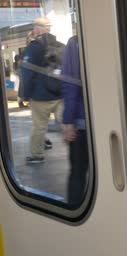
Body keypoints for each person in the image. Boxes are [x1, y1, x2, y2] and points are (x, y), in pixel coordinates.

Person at [22, 17, 65, 164]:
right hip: (59, 94)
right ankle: (81, 150)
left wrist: (25, 95)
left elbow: (27, 73)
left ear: (38, 29)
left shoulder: (34, 47)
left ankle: (37, 155)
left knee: (39, 126)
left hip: (40, 96)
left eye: (34, 27)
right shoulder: (60, 45)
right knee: (66, 123)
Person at [62, 35, 87, 205]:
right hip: (109, 122)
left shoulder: (75, 43)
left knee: (77, 174)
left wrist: (68, 122)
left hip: (82, 122)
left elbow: (71, 84)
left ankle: (74, 210)